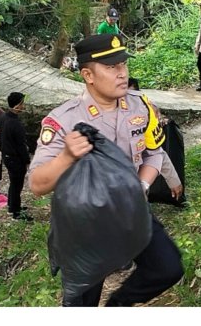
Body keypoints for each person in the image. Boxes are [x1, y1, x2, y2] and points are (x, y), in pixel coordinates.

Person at [29, 33, 183, 306]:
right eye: (111, 67)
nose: (122, 73)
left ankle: (117, 306)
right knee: (81, 303)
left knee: (168, 267)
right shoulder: (64, 120)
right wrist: (66, 156)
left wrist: (142, 186)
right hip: (86, 227)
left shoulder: (140, 106)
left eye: (123, 65)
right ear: (88, 75)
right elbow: (37, 185)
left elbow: (154, 154)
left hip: (131, 210)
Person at [0, 91, 32, 221]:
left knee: (13, 183)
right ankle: (17, 213)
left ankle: (11, 206)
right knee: (17, 184)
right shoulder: (15, 124)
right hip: (15, 159)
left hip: (6, 156)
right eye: (22, 104)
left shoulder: (3, 117)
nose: (24, 107)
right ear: (17, 105)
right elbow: (21, 146)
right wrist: (27, 160)